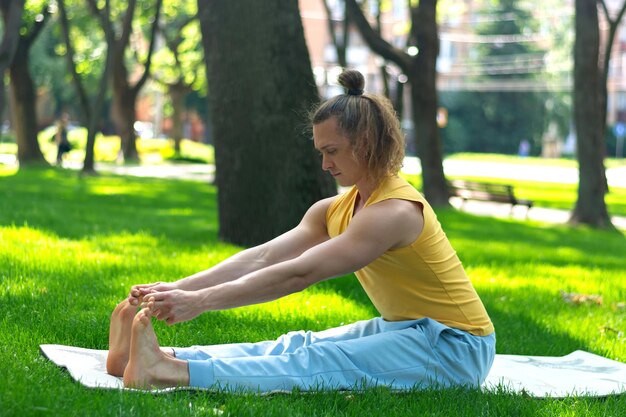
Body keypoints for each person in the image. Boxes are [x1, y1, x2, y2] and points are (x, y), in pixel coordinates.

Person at [107, 69, 496, 391]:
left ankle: (170, 372)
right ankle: (157, 358)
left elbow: (301, 272)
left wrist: (202, 301)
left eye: (332, 151)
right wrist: (178, 289)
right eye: (320, 152)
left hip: (457, 350)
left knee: (319, 361)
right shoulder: (335, 208)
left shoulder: (393, 212)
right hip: (410, 330)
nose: (325, 165)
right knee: (298, 345)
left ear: (366, 143)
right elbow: (264, 256)